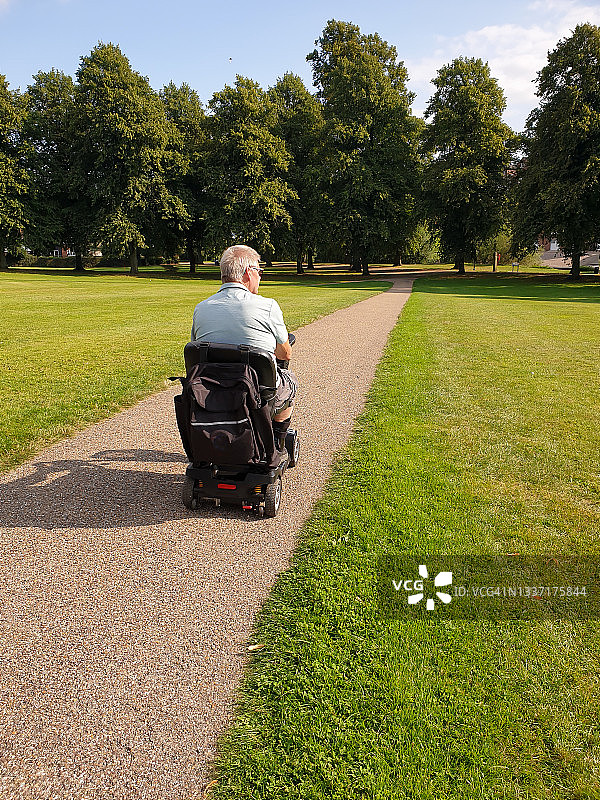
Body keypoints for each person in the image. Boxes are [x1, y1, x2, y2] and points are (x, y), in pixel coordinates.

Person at [191, 244, 298, 450]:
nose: (260, 277)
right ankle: (276, 442)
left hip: (211, 391)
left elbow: (197, 351)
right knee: (290, 383)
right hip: (257, 393)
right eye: (259, 271)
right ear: (249, 272)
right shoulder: (267, 306)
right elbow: (285, 352)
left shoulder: (201, 308)